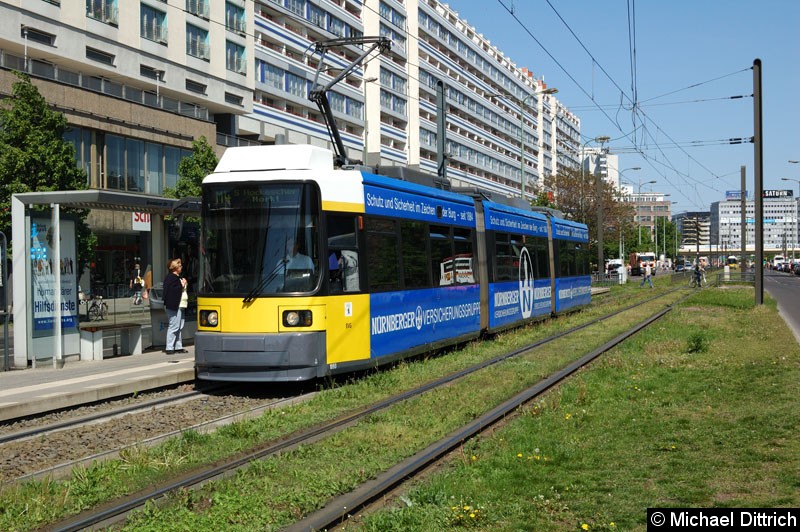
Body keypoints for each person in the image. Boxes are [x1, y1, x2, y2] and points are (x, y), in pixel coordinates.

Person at [163, 258, 188, 355]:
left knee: (179, 326)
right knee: (174, 326)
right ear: (175, 268)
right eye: (180, 266)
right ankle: (169, 347)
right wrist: (182, 285)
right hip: (174, 305)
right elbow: (172, 291)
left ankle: (178, 346)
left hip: (180, 305)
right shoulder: (171, 278)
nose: (181, 267)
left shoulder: (176, 277)